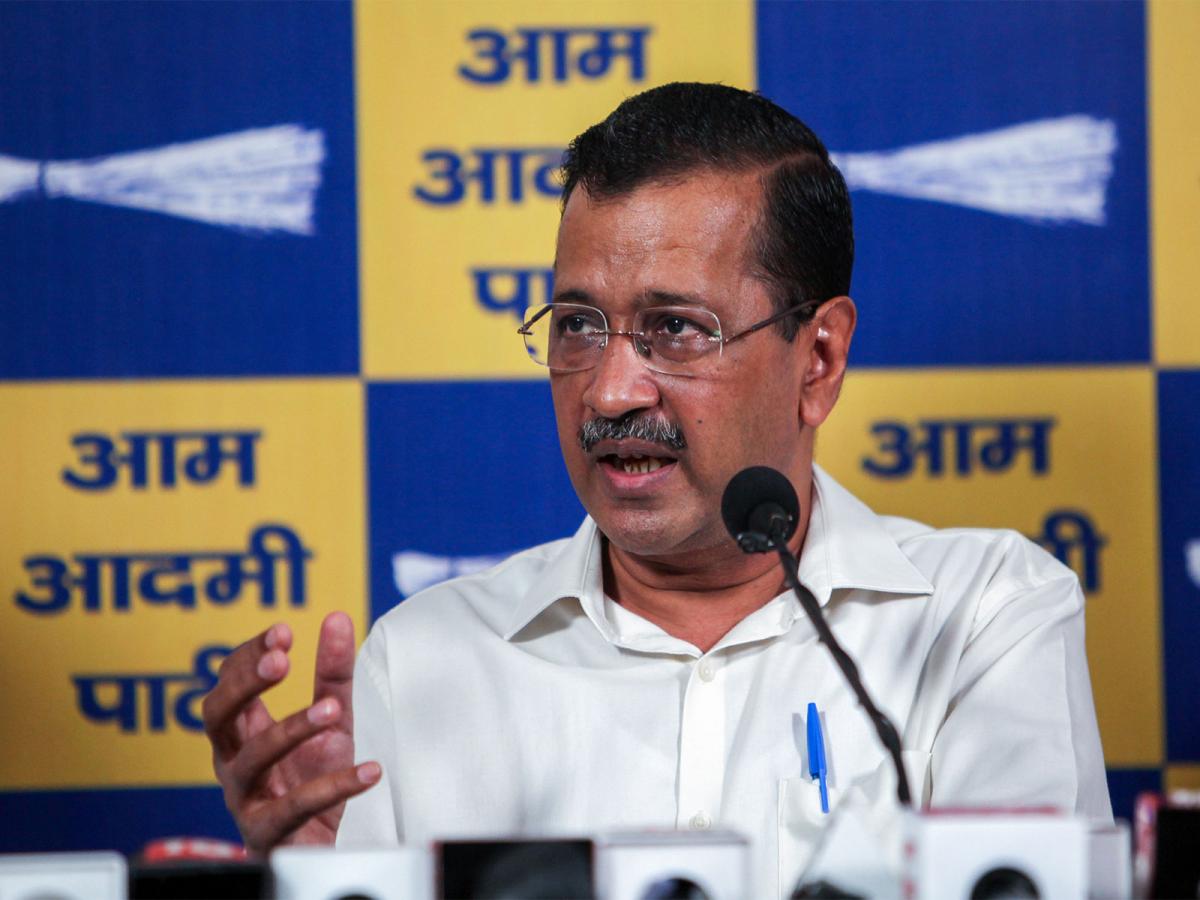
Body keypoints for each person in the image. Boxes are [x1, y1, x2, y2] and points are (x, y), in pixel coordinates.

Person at [202, 83, 1111, 897]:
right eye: (578, 326)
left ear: (819, 359)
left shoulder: (983, 619)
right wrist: (328, 882)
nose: (609, 391)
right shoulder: (426, 662)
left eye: (675, 328)